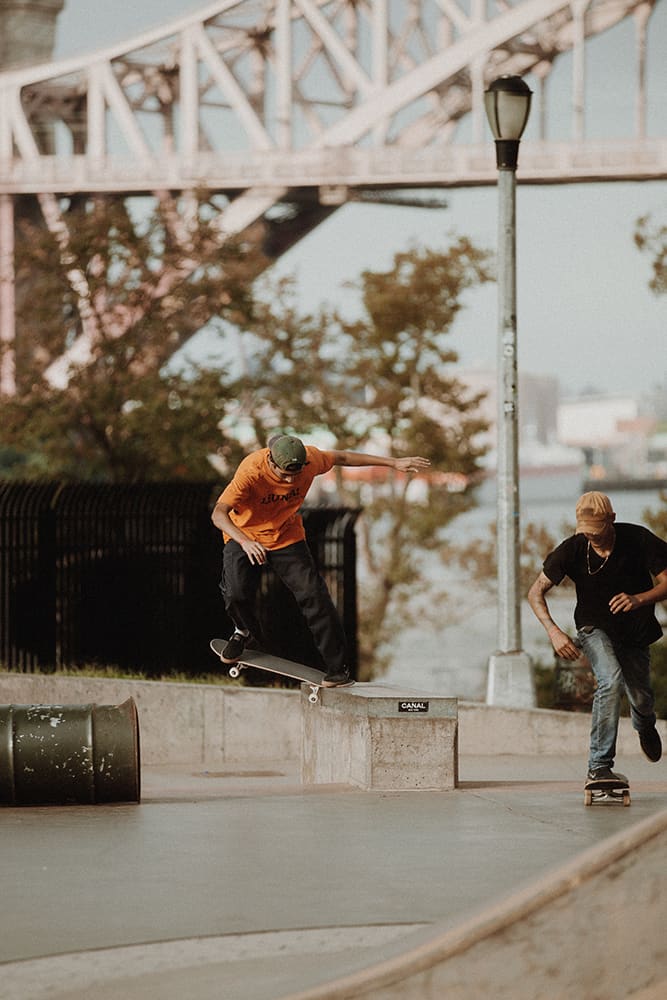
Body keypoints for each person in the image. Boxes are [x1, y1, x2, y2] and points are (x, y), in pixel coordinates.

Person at [211, 433, 431, 686]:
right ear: (271, 462)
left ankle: (338, 668)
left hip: (286, 537)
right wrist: (245, 541)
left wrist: (393, 463)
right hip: (244, 536)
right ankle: (243, 631)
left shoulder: (312, 459)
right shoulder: (251, 471)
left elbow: (344, 457)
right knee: (237, 593)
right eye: (284, 475)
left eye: (296, 473)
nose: (291, 480)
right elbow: (219, 514)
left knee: (315, 596)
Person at [527, 491, 667, 784]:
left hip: (635, 630)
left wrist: (640, 599)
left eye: (598, 532)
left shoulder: (638, 539)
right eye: (587, 533)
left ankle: (645, 724)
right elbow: (535, 592)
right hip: (593, 628)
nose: (592, 538)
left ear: (612, 520)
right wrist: (553, 631)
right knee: (610, 679)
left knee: (641, 699)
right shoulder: (572, 549)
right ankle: (600, 765)